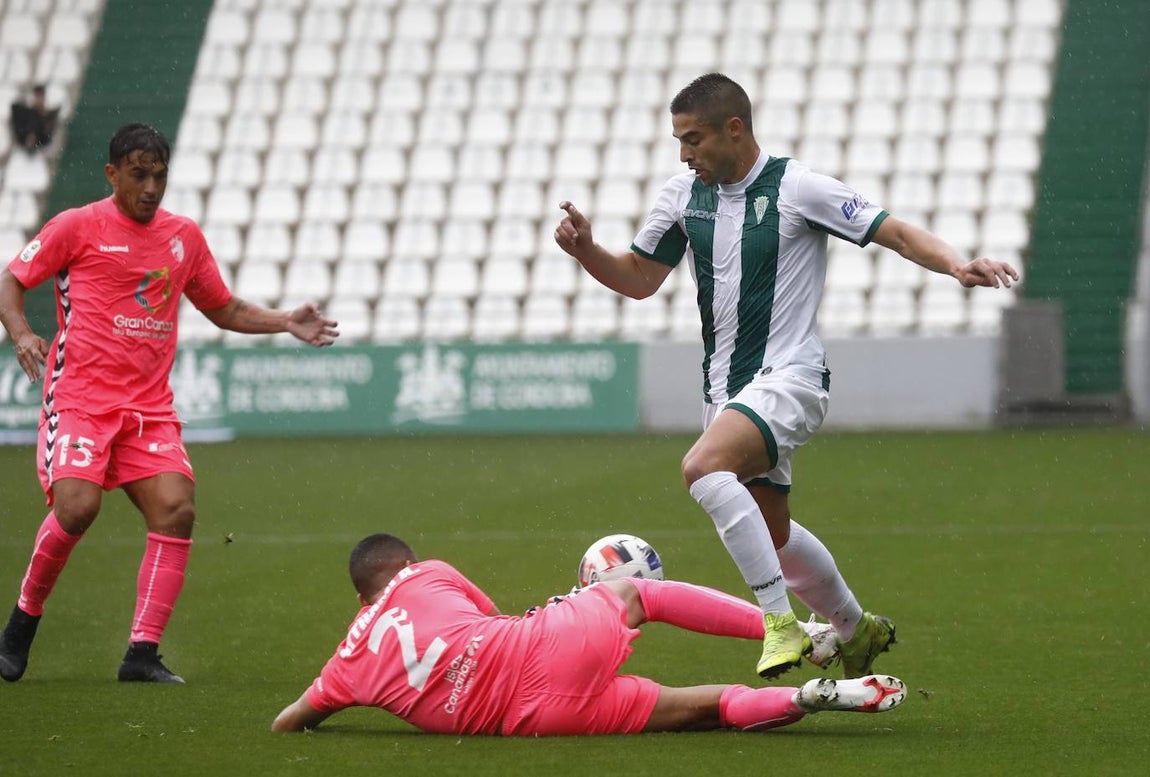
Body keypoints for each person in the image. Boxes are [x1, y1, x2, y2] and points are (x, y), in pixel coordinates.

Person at [554, 73, 1019, 681]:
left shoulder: (798, 188)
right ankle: (856, 628)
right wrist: (587, 249)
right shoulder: (680, 197)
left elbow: (895, 232)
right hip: (725, 393)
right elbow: (640, 278)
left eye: (693, 139)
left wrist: (958, 264)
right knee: (771, 535)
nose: (684, 153)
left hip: (791, 376)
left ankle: (780, 622)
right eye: (678, 140)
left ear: (734, 128)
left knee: (701, 468)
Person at [0, 123, 339, 684]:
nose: (152, 187)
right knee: (77, 508)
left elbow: (222, 308)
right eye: (139, 175)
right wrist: (21, 332)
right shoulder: (76, 226)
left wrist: (284, 321)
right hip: (81, 399)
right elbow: (12, 280)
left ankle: (142, 654)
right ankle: (20, 626)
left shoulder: (183, 236)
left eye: (159, 175)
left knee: (177, 508)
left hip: (148, 409)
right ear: (113, 174)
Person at [272, 533, 907, 735]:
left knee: (705, 707)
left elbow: (288, 722)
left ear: (361, 597)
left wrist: (330, 705)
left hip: (530, 719)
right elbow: (492, 614)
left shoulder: (342, 668)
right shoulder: (427, 573)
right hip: (534, 648)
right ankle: (796, 633)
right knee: (637, 593)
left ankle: (806, 698)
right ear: (404, 564)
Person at [9, 84, 59, 153]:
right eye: (37, 96)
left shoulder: (49, 116)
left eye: (41, 96)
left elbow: (47, 137)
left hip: (42, 151)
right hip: (24, 150)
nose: (39, 100)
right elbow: (14, 107)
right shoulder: (27, 113)